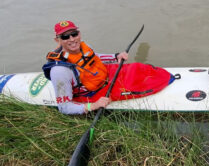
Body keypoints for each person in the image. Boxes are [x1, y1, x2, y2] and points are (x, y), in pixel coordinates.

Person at [43, 20, 175, 115]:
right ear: (57, 40)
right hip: (92, 94)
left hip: (104, 75)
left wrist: (115, 56)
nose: (72, 39)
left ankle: (168, 77)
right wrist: (93, 106)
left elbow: (94, 57)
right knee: (142, 85)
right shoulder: (59, 71)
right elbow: (64, 107)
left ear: (79, 33)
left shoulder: (81, 46)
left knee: (137, 67)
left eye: (74, 33)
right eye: (65, 36)